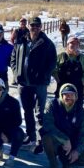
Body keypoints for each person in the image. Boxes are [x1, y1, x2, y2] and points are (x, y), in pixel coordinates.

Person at [10, 16, 56, 153]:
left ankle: (42, 141)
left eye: (37, 25)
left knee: (40, 113)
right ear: (28, 27)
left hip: (39, 84)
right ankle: (30, 136)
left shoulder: (47, 43)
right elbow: (13, 57)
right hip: (24, 83)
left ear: (41, 27)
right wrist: (16, 71)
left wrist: (44, 75)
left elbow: (52, 62)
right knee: (28, 111)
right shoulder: (21, 41)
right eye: (32, 25)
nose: (34, 28)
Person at [41, 84, 84, 168]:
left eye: (71, 94)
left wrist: (77, 151)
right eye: (66, 94)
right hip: (56, 140)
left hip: (71, 143)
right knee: (46, 137)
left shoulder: (81, 112)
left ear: (76, 97)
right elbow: (47, 125)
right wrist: (64, 139)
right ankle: (53, 163)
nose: (68, 97)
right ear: (61, 95)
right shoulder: (52, 105)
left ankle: (67, 162)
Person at [0, 77, 24, 168]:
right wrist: (0, 133)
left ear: (3, 89)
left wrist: (5, 133)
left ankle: (12, 157)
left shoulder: (13, 102)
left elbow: (18, 121)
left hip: (9, 130)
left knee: (19, 133)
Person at [53, 36, 84, 105]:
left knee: (77, 111)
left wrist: (82, 82)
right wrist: (57, 78)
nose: (74, 45)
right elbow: (52, 68)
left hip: (77, 89)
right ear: (67, 44)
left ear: (78, 46)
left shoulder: (83, 58)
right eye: (72, 43)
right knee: (59, 110)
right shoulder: (61, 56)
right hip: (62, 88)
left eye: (76, 44)